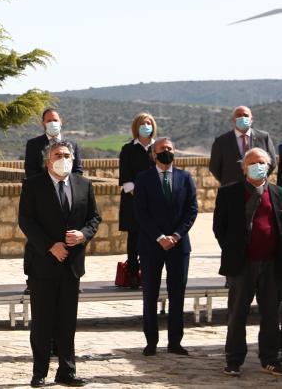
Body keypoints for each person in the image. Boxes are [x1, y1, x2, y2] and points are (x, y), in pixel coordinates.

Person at [18, 140, 100, 388]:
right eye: (58, 154)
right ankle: (39, 372)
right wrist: (49, 246)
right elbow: (26, 220)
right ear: (47, 160)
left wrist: (83, 234)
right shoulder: (33, 185)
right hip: (43, 263)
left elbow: (94, 217)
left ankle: (67, 370)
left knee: (67, 320)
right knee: (43, 320)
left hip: (72, 264)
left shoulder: (83, 185)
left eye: (67, 154)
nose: (63, 158)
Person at [213, 147, 282, 377]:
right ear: (244, 168)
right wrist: (235, 250)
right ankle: (233, 360)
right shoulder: (228, 193)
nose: (258, 166)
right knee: (237, 314)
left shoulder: (277, 193)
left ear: (269, 166)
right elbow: (219, 228)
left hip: (272, 265)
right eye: (252, 162)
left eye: (262, 162)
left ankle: (270, 358)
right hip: (242, 265)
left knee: (271, 314)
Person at [132, 138, 197, 356]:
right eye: (162, 149)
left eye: (169, 149)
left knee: (177, 294)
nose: (166, 152)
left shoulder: (185, 177)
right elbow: (140, 212)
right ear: (153, 154)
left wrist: (177, 235)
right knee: (150, 293)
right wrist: (160, 237)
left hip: (179, 246)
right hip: (151, 245)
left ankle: (175, 341)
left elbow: (192, 210)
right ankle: (151, 341)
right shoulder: (143, 179)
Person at [117, 112, 157, 288]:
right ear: (136, 127)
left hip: (155, 202)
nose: (146, 126)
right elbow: (125, 177)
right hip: (133, 200)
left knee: (152, 237)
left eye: (149, 123)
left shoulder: (158, 148)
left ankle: (149, 273)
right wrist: (140, 196)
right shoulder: (128, 149)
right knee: (134, 238)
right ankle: (133, 273)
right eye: (142, 123)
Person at [209, 105, 276, 186]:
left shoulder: (264, 137)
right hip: (232, 189)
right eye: (239, 116)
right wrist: (227, 181)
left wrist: (259, 178)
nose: (243, 118)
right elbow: (214, 167)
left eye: (245, 115)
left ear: (251, 119)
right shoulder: (221, 141)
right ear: (233, 120)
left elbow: (272, 163)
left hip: (258, 188)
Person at [24, 109, 84, 179]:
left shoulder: (73, 145)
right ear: (43, 123)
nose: (52, 123)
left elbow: (78, 171)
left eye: (55, 120)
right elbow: (30, 172)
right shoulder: (33, 144)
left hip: (67, 188)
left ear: (61, 122)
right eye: (49, 121)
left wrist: (65, 183)